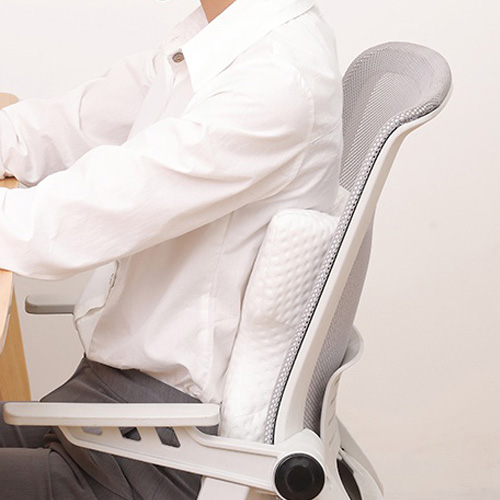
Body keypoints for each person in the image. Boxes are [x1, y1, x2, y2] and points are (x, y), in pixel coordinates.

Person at [0, 0, 343, 497]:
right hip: (113, 408)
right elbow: (78, 122)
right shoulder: (219, 41)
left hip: (158, 452)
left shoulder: (273, 79)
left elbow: (90, 210)